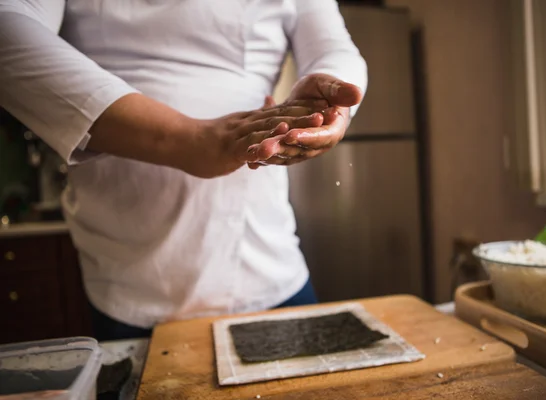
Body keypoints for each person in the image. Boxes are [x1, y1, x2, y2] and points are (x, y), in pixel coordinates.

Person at [0, 0, 367, 341]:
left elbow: (332, 46)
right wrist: (186, 140)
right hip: (128, 291)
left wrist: (332, 97)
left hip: (270, 271)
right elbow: (7, 26)